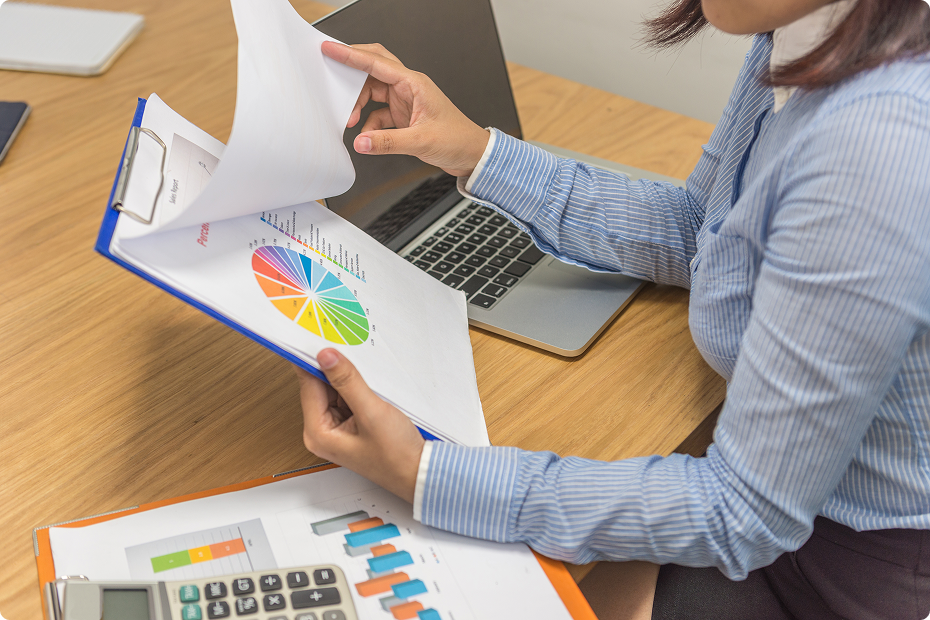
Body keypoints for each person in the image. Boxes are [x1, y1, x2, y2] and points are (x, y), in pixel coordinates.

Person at [296, 0, 930, 617]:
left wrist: (427, 475)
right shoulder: (799, 34)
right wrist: (475, 151)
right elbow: (697, 227)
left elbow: (743, 511)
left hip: (850, 569)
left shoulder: (875, 147)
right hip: (793, 510)